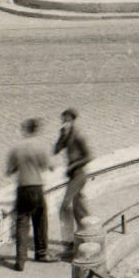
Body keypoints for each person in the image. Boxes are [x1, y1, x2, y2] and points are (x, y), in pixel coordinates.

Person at [6, 117, 54, 270]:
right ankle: (41, 253)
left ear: (25, 130)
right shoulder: (41, 146)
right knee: (40, 219)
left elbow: (10, 170)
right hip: (36, 187)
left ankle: (20, 260)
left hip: (22, 188)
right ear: (37, 129)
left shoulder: (16, 148)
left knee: (21, 222)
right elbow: (49, 166)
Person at [54, 107, 92, 254]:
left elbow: (89, 156)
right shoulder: (67, 134)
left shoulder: (78, 135)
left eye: (66, 119)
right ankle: (88, 236)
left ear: (72, 119)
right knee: (79, 207)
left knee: (65, 206)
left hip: (79, 174)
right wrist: (61, 136)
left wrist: (73, 165)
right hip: (73, 174)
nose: (64, 122)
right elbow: (55, 150)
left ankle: (69, 243)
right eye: (63, 119)